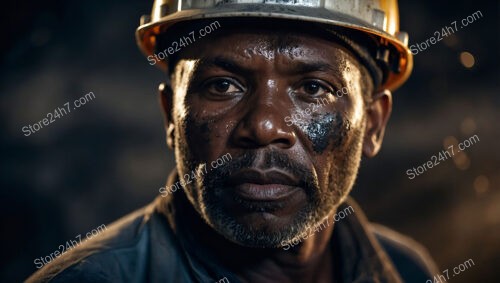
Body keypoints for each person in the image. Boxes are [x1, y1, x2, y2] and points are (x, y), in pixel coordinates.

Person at [27, 0, 438, 282]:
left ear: (373, 123)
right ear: (171, 114)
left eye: (313, 89)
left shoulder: (408, 270)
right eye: (223, 85)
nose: (262, 126)